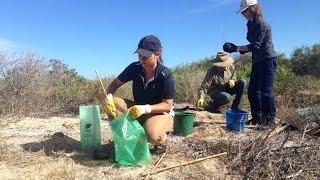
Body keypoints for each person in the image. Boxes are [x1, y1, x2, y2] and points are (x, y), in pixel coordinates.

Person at [105, 35, 175, 153]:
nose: (142, 58)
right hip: (137, 110)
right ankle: (125, 138)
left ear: (157, 54)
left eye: (146, 55)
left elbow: (167, 105)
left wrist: (145, 109)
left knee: (152, 135)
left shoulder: (165, 75)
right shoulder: (134, 68)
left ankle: (161, 137)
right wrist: (109, 96)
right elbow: (114, 85)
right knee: (114, 103)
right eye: (140, 55)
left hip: (159, 112)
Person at [223, 0, 277, 125]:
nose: (243, 13)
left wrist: (235, 48)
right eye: (242, 11)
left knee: (266, 90)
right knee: (253, 90)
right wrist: (236, 48)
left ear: (253, 8)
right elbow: (251, 46)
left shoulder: (262, 24)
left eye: (245, 10)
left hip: (268, 59)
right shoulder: (250, 24)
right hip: (257, 61)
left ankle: (269, 120)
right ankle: (257, 118)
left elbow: (255, 46)